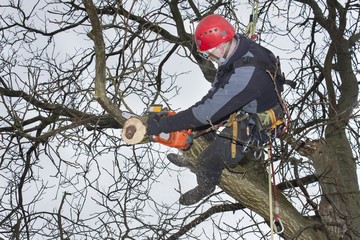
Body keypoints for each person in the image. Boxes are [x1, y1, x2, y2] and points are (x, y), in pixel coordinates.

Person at [146, 14, 286, 205]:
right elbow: (212, 96)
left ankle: (205, 182)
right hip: (245, 102)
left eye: (208, 53)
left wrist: (165, 124)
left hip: (257, 123)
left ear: (220, 45)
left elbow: (206, 113)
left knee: (209, 159)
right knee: (197, 128)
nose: (209, 58)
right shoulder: (234, 52)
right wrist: (185, 120)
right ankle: (193, 159)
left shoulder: (247, 74)